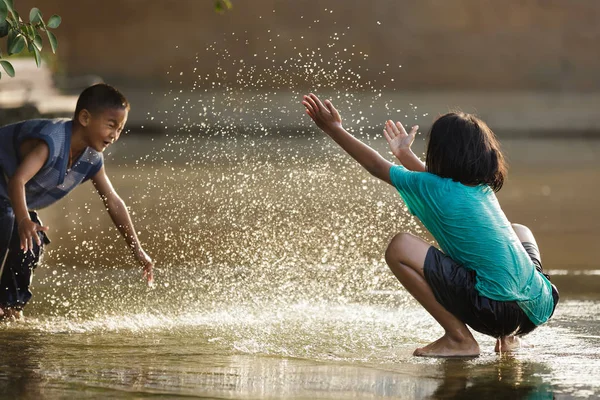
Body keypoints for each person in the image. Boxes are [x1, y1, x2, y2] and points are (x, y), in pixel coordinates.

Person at [301, 93, 559, 357]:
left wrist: (334, 129)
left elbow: (377, 166)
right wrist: (404, 154)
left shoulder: (435, 188)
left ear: (439, 153)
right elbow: (436, 179)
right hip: (539, 304)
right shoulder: (481, 188)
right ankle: (509, 338)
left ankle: (459, 339)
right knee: (519, 231)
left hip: (494, 308)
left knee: (400, 247)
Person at [0, 83, 154, 320]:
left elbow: (113, 201)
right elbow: (17, 181)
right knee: (8, 220)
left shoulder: (92, 157)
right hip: (6, 193)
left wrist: (138, 250)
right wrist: (23, 219)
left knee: (33, 242)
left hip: (6, 198)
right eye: (110, 125)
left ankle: (10, 309)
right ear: (84, 118)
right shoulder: (51, 141)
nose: (114, 135)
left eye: (120, 129)